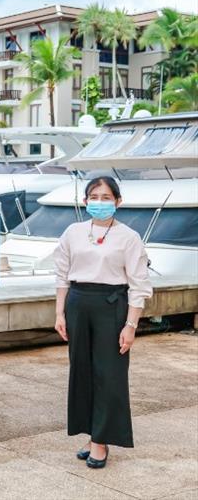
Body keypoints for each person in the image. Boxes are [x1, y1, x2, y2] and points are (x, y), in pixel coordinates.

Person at [53, 176, 152, 469]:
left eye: (106, 197)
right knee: (81, 371)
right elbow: (61, 275)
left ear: (118, 202)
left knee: (109, 373)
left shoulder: (129, 237)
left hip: (112, 306)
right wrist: (59, 313)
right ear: (85, 202)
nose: (99, 202)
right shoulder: (73, 232)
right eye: (94, 197)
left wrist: (131, 325)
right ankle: (93, 434)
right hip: (78, 304)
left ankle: (101, 442)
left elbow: (139, 284)